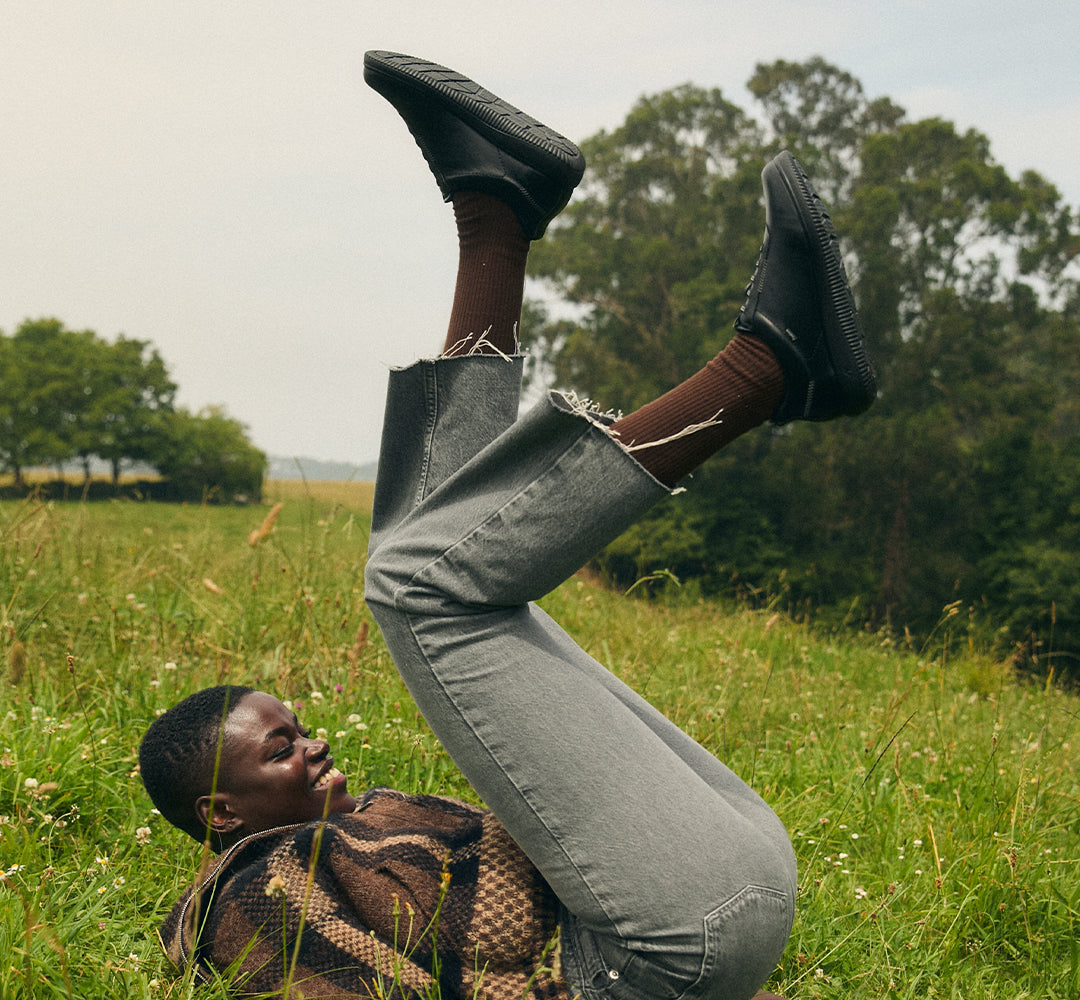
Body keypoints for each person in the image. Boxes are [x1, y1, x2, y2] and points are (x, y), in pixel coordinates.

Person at [140, 50, 876, 1000]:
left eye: (298, 730)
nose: (313, 745)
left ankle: (496, 216)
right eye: (280, 750)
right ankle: (765, 372)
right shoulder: (248, 894)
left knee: (432, 546)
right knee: (416, 582)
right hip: (649, 955)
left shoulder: (362, 823)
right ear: (220, 813)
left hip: (713, 876)